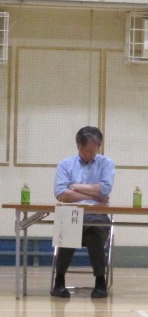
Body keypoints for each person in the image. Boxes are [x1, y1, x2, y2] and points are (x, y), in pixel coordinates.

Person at [52, 126, 115, 299]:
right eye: (84, 150)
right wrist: (91, 195)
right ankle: (59, 281)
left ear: (99, 147)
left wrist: (75, 186)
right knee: (68, 229)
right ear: (78, 146)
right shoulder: (65, 164)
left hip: (96, 214)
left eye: (92, 150)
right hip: (71, 213)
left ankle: (100, 281)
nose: (88, 154)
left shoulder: (106, 163)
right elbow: (61, 194)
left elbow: (105, 190)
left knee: (94, 230)